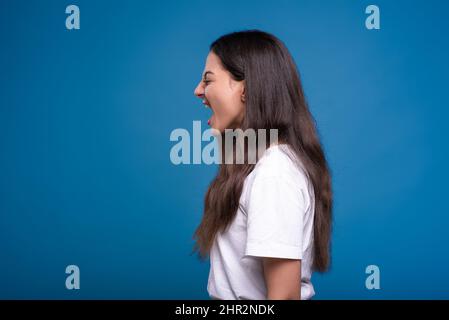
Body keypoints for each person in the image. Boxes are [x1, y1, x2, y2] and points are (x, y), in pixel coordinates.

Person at [192, 30, 332, 300]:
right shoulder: (257, 165)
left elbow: (284, 297)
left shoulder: (274, 173)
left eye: (208, 80)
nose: (198, 90)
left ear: (245, 90)